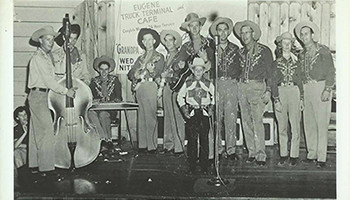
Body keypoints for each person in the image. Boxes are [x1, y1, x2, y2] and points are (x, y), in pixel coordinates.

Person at [27, 26, 76, 179]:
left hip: (39, 95)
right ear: (40, 40)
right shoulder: (38, 58)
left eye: (52, 39)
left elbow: (52, 78)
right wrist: (66, 91)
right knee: (46, 131)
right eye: (47, 39)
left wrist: (65, 82)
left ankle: (35, 165)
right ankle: (47, 169)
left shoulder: (46, 57)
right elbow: (48, 81)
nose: (50, 42)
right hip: (39, 95)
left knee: (36, 132)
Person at [294, 21, 335, 168]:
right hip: (306, 88)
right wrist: (302, 96)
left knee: (321, 123)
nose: (304, 37)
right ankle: (312, 154)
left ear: (312, 34)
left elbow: (331, 71)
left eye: (306, 33)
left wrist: (328, 89)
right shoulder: (301, 54)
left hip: (321, 87)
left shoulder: (323, 50)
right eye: (301, 35)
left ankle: (322, 157)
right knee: (309, 123)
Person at [233, 20, 273, 166]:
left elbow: (270, 72)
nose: (244, 36)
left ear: (253, 34)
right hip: (242, 87)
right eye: (242, 33)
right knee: (246, 120)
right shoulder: (240, 52)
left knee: (257, 121)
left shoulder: (264, 50)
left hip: (257, 87)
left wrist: (268, 90)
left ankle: (261, 154)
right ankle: (251, 152)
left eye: (247, 32)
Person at [127, 28, 165, 153]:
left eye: (150, 39)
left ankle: (152, 145)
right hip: (140, 88)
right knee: (141, 117)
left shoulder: (159, 57)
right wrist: (135, 75)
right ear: (142, 42)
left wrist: (151, 70)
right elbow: (130, 73)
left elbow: (158, 72)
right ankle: (142, 145)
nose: (148, 42)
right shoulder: (140, 58)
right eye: (145, 40)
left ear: (154, 41)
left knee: (150, 117)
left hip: (150, 86)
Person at [209, 17, 240, 161]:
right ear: (216, 32)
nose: (222, 33)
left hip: (231, 84)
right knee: (216, 118)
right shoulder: (211, 49)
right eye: (219, 30)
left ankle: (231, 149)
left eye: (224, 30)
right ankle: (218, 149)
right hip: (216, 84)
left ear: (228, 32)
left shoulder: (235, 48)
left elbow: (240, 69)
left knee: (230, 117)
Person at [177, 57, 215, 174]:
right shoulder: (188, 84)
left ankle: (204, 166)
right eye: (196, 70)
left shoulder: (208, 84)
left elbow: (215, 96)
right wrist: (185, 111)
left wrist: (211, 108)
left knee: (204, 140)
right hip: (192, 114)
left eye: (201, 70)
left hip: (203, 114)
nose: (198, 72)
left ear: (204, 71)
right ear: (193, 71)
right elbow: (179, 97)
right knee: (192, 141)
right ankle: (192, 165)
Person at [271, 32, 303, 166]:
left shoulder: (297, 61)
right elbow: (272, 82)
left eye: (289, 43)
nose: (287, 45)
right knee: (282, 125)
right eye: (284, 43)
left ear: (292, 44)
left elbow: (300, 81)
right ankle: (283, 154)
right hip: (281, 91)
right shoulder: (276, 63)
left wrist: (301, 98)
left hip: (294, 91)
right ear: (280, 45)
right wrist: (276, 99)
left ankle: (294, 155)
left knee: (295, 125)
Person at [158, 30, 186, 155]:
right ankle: (168, 145)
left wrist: (168, 74)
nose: (168, 43)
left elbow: (180, 71)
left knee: (176, 116)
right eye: (166, 40)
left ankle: (179, 146)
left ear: (175, 42)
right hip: (166, 88)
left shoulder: (180, 55)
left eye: (171, 40)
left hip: (175, 87)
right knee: (168, 116)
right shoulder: (166, 56)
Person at [88, 56, 122, 154]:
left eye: (106, 70)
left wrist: (112, 100)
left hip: (110, 111)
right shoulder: (93, 82)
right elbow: (90, 97)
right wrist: (97, 100)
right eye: (102, 69)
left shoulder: (115, 80)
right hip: (97, 109)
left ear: (109, 70)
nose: (104, 72)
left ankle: (104, 141)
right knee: (90, 113)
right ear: (98, 70)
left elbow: (119, 97)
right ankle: (105, 139)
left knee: (103, 114)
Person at [178, 13, 214, 77]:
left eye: (196, 25)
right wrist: (180, 65)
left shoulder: (209, 43)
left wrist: (206, 60)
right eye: (192, 26)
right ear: (188, 28)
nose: (194, 28)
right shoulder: (185, 47)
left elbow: (216, 66)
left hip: (207, 81)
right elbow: (177, 65)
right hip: (190, 82)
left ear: (200, 27)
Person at [14, 106, 29, 189]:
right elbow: (14, 146)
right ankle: (21, 182)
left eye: (25, 114)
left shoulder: (33, 126)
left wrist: (22, 145)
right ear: (17, 118)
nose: (24, 117)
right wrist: (24, 133)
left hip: (32, 152)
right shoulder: (15, 129)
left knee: (17, 151)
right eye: (21, 115)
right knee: (15, 153)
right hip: (22, 152)